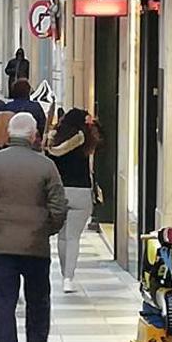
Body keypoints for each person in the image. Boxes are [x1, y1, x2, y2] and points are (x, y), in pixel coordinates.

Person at [0, 113, 68, 342]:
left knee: (3, 302)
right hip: (36, 245)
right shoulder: (45, 166)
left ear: (9, 133)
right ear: (34, 135)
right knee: (38, 301)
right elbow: (59, 206)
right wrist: (47, 229)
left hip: (2, 246)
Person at [46, 109, 102, 294]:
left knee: (62, 237)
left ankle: (65, 273)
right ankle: (68, 278)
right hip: (81, 192)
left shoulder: (52, 140)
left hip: (59, 192)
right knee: (73, 237)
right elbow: (102, 136)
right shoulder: (84, 139)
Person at [4, 79, 46, 144]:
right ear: (28, 91)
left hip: (12, 141)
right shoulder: (35, 107)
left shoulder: (8, 107)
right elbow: (42, 125)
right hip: (32, 142)